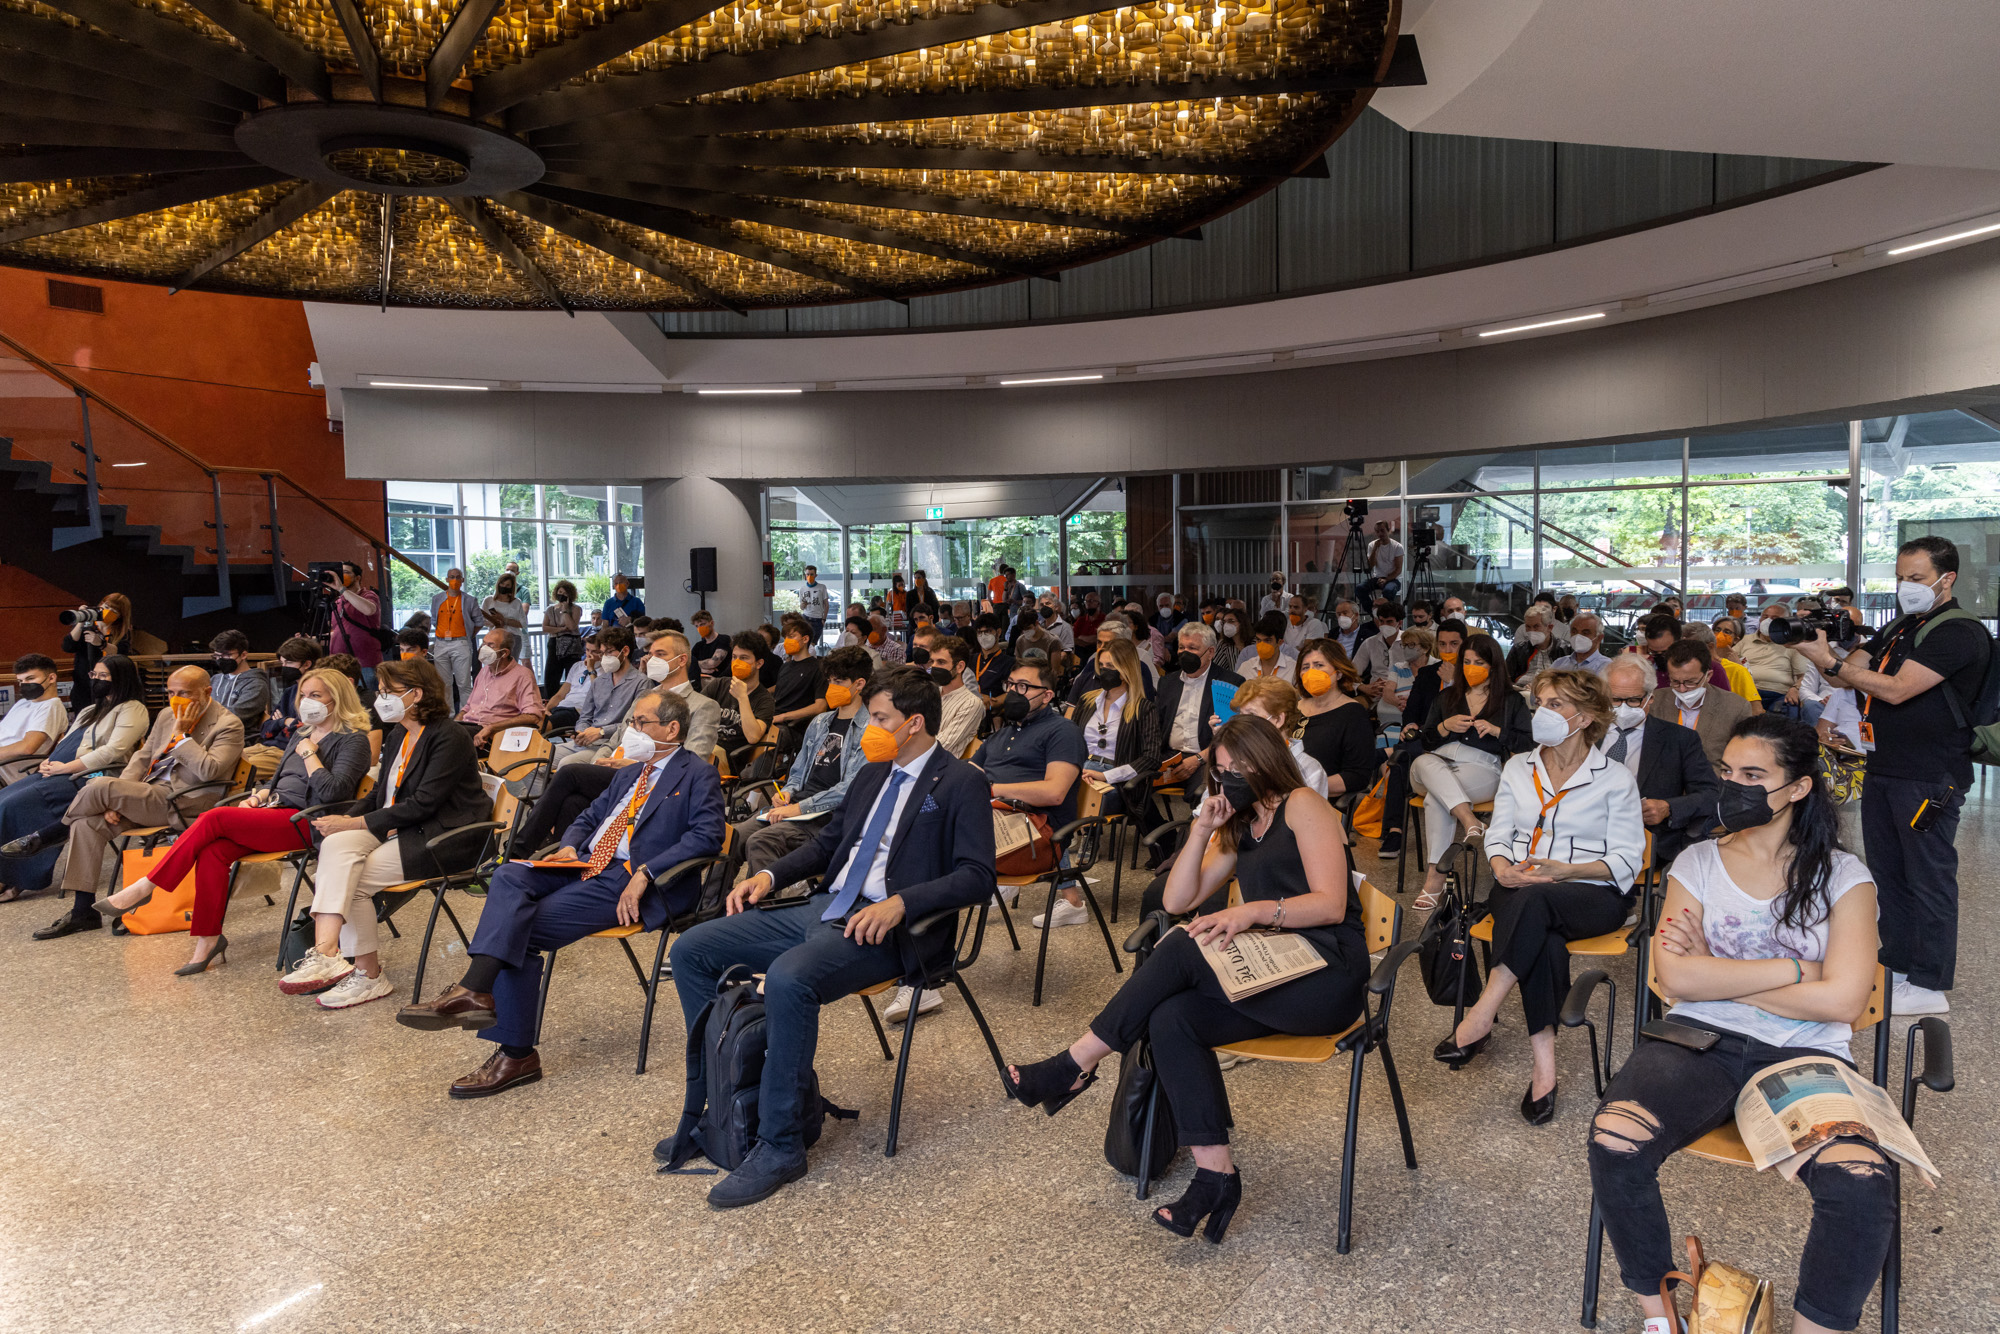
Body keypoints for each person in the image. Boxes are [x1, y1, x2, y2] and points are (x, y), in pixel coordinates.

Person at [1004, 717, 1369, 1243]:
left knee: (1181, 943)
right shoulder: (1240, 822)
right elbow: (1177, 899)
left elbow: (1331, 904)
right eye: (1222, 769)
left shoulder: (1302, 804)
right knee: (1172, 1016)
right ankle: (1215, 1176)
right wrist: (1201, 829)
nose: (1231, 777)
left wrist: (1251, 911)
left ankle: (1073, 1064)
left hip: (1327, 973)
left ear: (1268, 759)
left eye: (1241, 766)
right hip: (1273, 971)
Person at [1589, 714, 1888, 1334]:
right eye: (1727, 771)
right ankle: (1662, 1318)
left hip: (1806, 1053)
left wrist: (1717, 971)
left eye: (1754, 775)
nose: (1733, 786)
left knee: (1861, 1183)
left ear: (1797, 787)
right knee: (1615, 1139)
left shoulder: (1843, 876)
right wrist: (1799, 970)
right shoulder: (1698, 862)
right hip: (1698, 1039)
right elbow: (1675, 981)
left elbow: (1843, 1002)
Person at [666, 667, 996, 1207]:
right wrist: (769, 876)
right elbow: (828, 845)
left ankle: (780, 1143)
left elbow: (978, 877)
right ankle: (723, 1103)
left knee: (788, 978)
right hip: (827, 907)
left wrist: (901, 903)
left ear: (914, 723)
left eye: (880, 718)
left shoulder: (961, 782)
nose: (872, 727)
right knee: (692, 950)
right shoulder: (873, 773)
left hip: (892, 928)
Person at [396, 687, 722, 1089]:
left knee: (521, 928)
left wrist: (645, 873)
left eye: (641, 723)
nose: (632, 730)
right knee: (509, 875)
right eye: (632, 722)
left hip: (630, 878)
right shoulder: (628, 774)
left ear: (671, 729)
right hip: (585, 863)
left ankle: (514, 1051)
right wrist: (569, 845)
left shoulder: (697, 773)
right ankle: (476, 992)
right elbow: (589, 817)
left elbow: (707, 836)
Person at [1792, 534, 1992, 1016]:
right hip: (1883, 766)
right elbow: (1844, 674)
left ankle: (1929, 982)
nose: (1906, 587)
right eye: (1901, 578)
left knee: (1928, 875)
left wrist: (1833, 663)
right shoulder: (1901, 626)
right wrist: (1822, 650)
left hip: (1929, 774)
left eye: (1917, 578)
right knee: (1889, 873)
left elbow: (1899, 689)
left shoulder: (1958, 632)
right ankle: (1898, 963)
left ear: (1948, 578)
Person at [1435, 668, 1645, 1124]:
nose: (1541, 713)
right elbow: (1498, 835)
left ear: (1585, 717)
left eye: (1555, 705)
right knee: (1541, 932)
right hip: (1518, 885)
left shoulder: (1614, 778)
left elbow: (1629, 859)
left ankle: (1482, 1012)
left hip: (1591, 892)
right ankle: (1544, 1067)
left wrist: (1566, 871)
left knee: (1537, 904)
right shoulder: (1518, 766)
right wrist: (1500, 868)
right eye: (1540, 703)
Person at [92, 668, 371, 977]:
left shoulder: (353, 740)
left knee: (215, 817)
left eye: (315, 695)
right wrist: (259, 795)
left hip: (310, 822)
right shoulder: (303, 734)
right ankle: (208, 940)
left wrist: (309, 755)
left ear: (337, 698)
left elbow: (334, 792)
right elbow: (278, 781)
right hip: (275, 812)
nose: (306, 702)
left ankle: (148, 885)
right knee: (213, 851)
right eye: (303, 695)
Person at [277, 658, 488, 1005]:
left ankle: (368, 976)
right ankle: (327, 953)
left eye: (389, 692)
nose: (380, 699)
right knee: (335, 846)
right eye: (380, 691)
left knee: (354, 880)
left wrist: (352, 823)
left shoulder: (449, 736)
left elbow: (424, 804)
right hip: (400, 825)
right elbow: (379, 795)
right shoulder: (400, 733)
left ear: (417, 694)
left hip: (441, 835)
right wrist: (345, 822)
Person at [9, 665, 244, 940]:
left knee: (99, 784)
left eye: (184, 693)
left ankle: (52, 833)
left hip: (185, 801)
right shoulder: (166, 715)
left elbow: (210, 771)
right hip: (147, 795)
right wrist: (117, 800)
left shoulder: (228, 724)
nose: (175, 699)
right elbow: (142, 758)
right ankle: (83, 911)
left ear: (207, 692)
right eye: (170, 692)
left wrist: (181, 736)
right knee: (87, 823)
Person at [0, 655, 148, 904]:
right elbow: (66, 742)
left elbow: (112, 752)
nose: (97, 680)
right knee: (3, 799)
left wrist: (66, 768)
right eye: (94, 675)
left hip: (93, 776)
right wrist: (48, 762)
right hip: (60, 771)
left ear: (120, 678)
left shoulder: (133, 709)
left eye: (103, 676)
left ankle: (14, 878)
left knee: (12, 806)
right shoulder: (90, 710)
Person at [722, 646, 875, 887]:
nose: (831, 687)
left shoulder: (870, 730)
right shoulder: (821, 722)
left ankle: (758, 907)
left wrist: (799, 808)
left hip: (826, 816)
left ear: (859, 684)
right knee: (733, 836)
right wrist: (787, 792)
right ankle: (714, 906)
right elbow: (797, 771)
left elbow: (849, 789)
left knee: (761, 841)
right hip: (799, 805)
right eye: (830, 681)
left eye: (839, 681)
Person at [1405, 632, 1532, 908]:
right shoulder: (1446, 696)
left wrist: (1498, 731)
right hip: (1435, 763)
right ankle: (1469, 820)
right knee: (1422, 762)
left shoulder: (1511, 700)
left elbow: (1527, 743)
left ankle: (1434, 880)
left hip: (1481, 767)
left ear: (1493, 665)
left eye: (1479, 662)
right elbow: (1426, 741)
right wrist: (1444, 727)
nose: (1470, 667)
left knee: (1436, 799)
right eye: (1466, 661)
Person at [974, 657, 1086, 926]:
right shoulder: (1001, 734)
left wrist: (991, 789)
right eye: (1011, 685)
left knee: (941, 840)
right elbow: (969, 775)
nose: (1014, 692)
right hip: (996, 820)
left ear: (1047, 695)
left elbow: (1054, 792)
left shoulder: (1063, 732)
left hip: (1040, 834)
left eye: (1023, 686)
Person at [1599, 656, 1718, 872]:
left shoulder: (1680, 739)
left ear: (1650, 698)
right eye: (1615, 700)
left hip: (1644, 841)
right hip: (1581, 835)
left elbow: (1710, 794)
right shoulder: (1583, 733)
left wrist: (1668, 808)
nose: (1623, 708)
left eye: (1633, 700)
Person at [1155, 621, 1244, 811]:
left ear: (1210, 652)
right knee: (1132, 786)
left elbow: (1231, 735)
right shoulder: (1167, 683)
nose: (1185, 653)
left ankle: (1194, 829)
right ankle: (1160, 831)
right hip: (1169, 756)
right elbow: (1157, 725)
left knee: (1201, 795)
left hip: (1208, 757)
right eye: (1181, 647)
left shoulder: (1230, 683)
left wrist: (1199, 759)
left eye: (1192, 648)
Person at [1648, 640, 1751, 772]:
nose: (1682, 689)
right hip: (1663, 779)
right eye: (1675, 681)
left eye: (1690, 682)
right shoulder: (1654, 701)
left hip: (1711, 780)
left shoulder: (1736, 707)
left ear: (1708, 676)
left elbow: (1742, 760)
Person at [1290, 641, 1373, 800]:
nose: (1311, 672)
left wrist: (1303, 788)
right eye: (1305, 667)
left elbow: (1357, 776)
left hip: (1317, 800)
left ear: (1339, 673)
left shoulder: (1353, 714)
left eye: (1319, 665)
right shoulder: (1292, 708)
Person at [554, 626, 642, 763]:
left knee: (567, 763)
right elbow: (585, 716)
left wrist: (601, 731)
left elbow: (633, 723)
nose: (604, 657)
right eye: (602, 653)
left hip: (612, 744)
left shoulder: (641, 683)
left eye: (609, 652)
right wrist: (581, 732)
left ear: (625, 651)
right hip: (586, 741)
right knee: (537, 759)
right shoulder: (599, 681)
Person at [458, 628, 545, 752]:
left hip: (491, 735)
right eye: (483, 643)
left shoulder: (523, 675)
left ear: (504, 653)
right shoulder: (484, 671)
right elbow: (467, 708)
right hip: (468, 728)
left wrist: (491, 727)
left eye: (490, 645)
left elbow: (532, 717)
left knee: (448, 740)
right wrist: (453, 724)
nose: (483, 648)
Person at [705, 630, 777, 771]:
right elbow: (694, 711)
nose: (737, 662)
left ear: (759, 663)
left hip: (729, 760)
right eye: (734, 657)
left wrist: (742, 698)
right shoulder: (719, 684)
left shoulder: (764, 699)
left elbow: (753, 737)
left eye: (744, 658)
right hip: (706, 744)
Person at [0, 654, 68, 772]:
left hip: (6, 771)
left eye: (30, 678)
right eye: (20, 681)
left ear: (51, 678)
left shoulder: (51, 706)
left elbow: (27, 747)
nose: (24, 684)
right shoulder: (23, 703)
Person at [1739, 600, 1807, 717]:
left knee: (1787, 709)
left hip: (1777, 693)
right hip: (1747, 691)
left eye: (1775, 618)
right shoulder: (1744, 641)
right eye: (1765, 617)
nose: (1767, 621)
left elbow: (1803, 675)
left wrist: (1795, 689)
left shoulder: (1792, 644)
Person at [770, 618, 829, 749]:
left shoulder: (818, 667)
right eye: (785, 637)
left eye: (791, 637)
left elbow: (820, 707)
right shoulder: (785, 667)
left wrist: (783, 717)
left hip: (794, 727)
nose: (786, 641)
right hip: (774, 720)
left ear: (805, 639)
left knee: (768, 738)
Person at [923, 635, 984, 759]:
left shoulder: (971, 703)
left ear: (959, 667)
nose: (934, 667)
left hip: (939, 765)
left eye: (941, 662)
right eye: (932, 661)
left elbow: (941, 746)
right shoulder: (929, 693)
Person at [430, 567, 479, 712]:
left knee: (464, 683)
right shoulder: (437, 599)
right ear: (446, 579)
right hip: (441, 642)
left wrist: (468, 635)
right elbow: (434, 620)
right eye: (452, 577)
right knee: (444, 683)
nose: (455, 580)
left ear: (462, 580)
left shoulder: (470, 600)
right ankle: (448, 715)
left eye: (458, 577)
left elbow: (478, 622)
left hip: (461, 642)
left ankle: (465, 715)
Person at [202, 629, 270, 732]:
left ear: (243, 655)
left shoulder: (256, 684)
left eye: (227, 655)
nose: (221, 660)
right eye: (217, 656)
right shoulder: (215, 679)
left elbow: (234, 715)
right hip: (209, 732)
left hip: (239, 736)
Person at [326, 561, 383, 680]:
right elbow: (337, 631)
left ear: (357, 578)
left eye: (346, 572)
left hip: (364, 663)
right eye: (340, 573)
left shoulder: (368, 595)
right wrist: (313, 639)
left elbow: (369, 610)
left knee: (367, 691)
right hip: (340, 665)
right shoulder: (338, 601)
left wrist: (341, 589)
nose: (342, 576)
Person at [63, 593, 134, 682]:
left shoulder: (122, 631)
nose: (108, 611)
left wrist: (101, 644)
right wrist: (82, 618)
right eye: (106, 607)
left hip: (110, 679)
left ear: (120, 615)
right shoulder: (88, 625)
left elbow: (121, 653)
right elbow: (68, 647)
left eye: (114, 611)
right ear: (101, 605)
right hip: (84, 681)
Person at [541, 579, 585, 697]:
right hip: (554, 643)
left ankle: (572, 698)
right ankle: (550, 700)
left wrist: (565, 610)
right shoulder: (550, 609)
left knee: (572, 673)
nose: (562, 595)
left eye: (565, 593)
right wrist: (561, 629)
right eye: (560, 592)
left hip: (572, 644)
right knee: (551, 674)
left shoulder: (576, 609)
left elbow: (572, 626)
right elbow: (545, 627)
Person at [479, 570, 529, 663]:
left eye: (507, 585)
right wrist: (494, 622)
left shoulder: (516, 602)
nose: (504, 587)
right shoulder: (488, 600)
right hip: (494, 638)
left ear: (511, 587)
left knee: (511, 665)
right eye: (502, 584)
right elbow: (482, 621)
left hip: (513, 638)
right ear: (498, 584)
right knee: (493, 664)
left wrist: (504, 620)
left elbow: (523, 623)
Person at [1506, 605, 1558, 686]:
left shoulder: (1564, 650)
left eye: (1536, 626)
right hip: (1521, 690)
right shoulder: (1518, 649)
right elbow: (1505, 679)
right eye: (1528, 627)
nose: (1531, 631)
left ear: (1550, 627)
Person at [1236, 612, 1297, 681]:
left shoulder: (1293, 668)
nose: (1262, 645)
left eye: (1267, 640)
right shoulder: (1246, 667)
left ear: (1280, 642)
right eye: (1258, 640)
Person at [1361, 519, 1404, 604]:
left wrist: (1386, 579)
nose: (1380, 534)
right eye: (1377, 532)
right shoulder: (1372, 545)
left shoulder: (1397, 546)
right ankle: (1372, 609)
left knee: (1388, 591)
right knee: (1360, 589)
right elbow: (1370, 566)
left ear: (1388, 530)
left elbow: (1398, 569)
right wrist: (1375, 549)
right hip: (1377, 578)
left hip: (1393, 579)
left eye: (1382, 530)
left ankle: (1386, 610)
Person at [797, 565, 830, 646]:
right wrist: (803, 604)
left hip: (817, 619)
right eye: (807, 574)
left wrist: (824, 619)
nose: (809, 576)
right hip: (806, 617)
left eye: (811, 574)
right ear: (805, 575)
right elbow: (801, 607)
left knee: (813, 644)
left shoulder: (822, 587)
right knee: (804, 643)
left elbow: (826, 604)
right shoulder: (802, 589)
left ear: (816, 575)